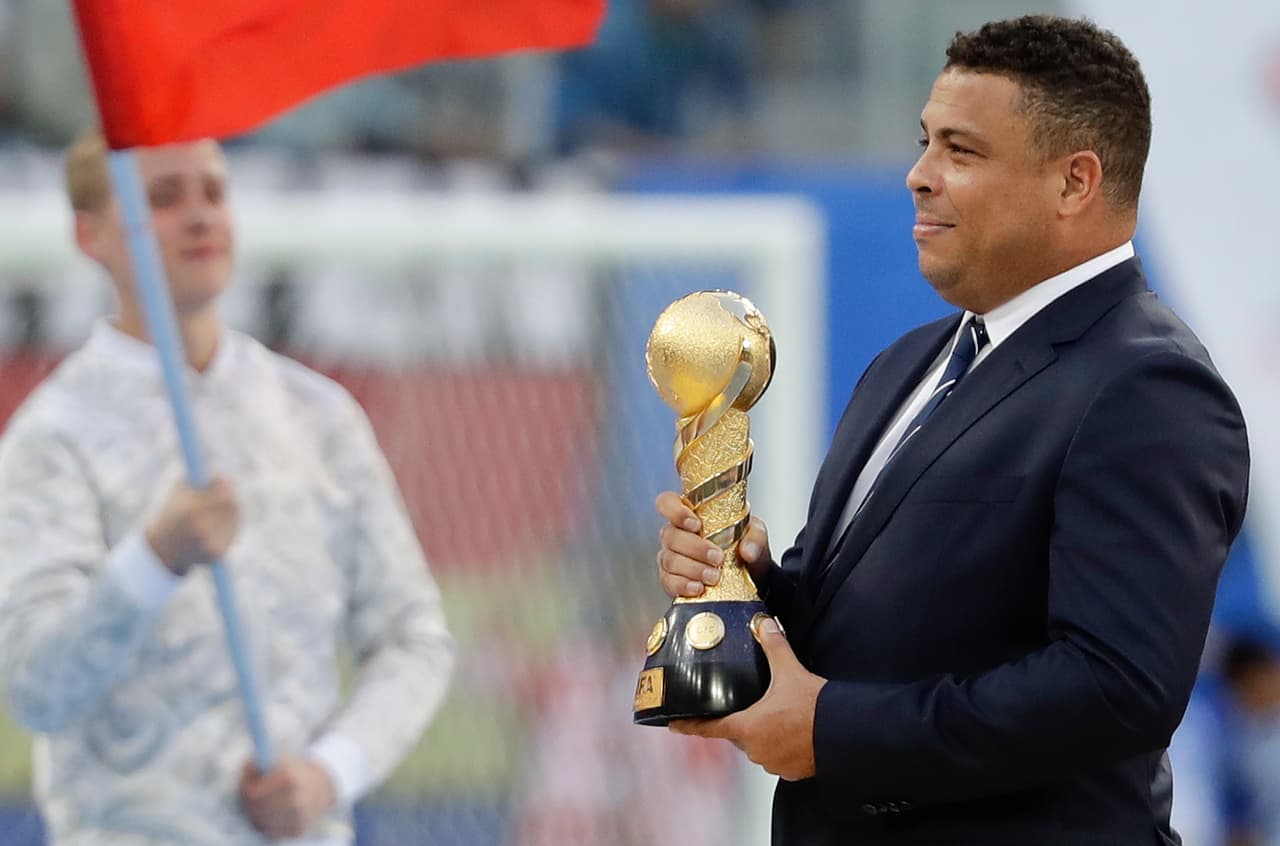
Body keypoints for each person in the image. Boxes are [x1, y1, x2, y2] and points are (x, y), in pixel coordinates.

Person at [654, 15, 1249, 845]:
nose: (918, 176)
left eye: (960, 152)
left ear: (1074, 183)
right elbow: (874, 633)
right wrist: (745, 577)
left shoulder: (1150, 386)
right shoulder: (906, 364)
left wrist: (834, 731)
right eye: (925, 142)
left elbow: (1115, 687)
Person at [0, 133, 454, 845]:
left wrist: (330, 774)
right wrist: (151, 562)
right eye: (163, 198)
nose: (201, 216)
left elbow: (414, 638)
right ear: (90, 234)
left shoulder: (318, 417)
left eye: (214, 192)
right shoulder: (52, 440)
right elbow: (36, 687)